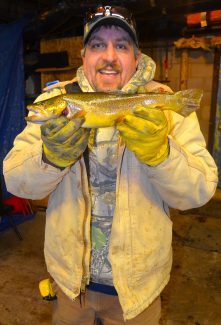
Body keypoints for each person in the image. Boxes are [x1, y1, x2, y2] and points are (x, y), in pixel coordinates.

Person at [3, 5, 217, 325]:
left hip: (138, 291)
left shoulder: (162, 102)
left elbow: (198, 193)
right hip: (70, 286)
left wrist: (161, 154)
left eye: (121, 45)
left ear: (136, 56)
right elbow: (16, 181)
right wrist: (51, 158)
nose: (109, 56)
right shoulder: (60, 98)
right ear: (83, 54)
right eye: (98, 45)